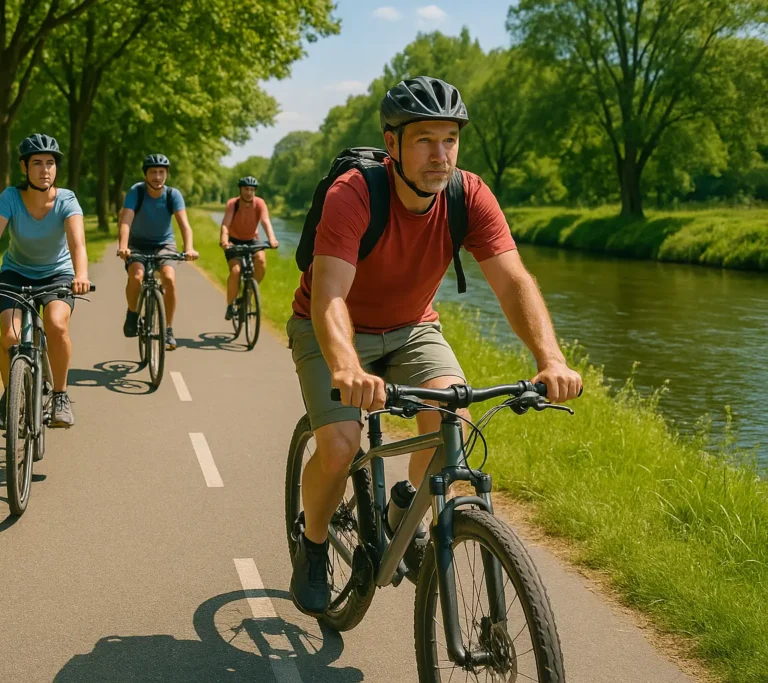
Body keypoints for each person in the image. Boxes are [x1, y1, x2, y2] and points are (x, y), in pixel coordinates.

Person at [286, 76, 583, 614]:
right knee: (340, 443)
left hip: (412, 328)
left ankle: (404, 513)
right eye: (424, 139)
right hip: (329, 326)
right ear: (392, 143)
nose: (439, 154)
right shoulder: (353, 194)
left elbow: (514, 281)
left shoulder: (468, 195)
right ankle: (311, 543)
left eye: (450, 139)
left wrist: (551, 359)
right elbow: (329, 295)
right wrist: (348, 367)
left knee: (451, 419)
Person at [0, 134, 91, 430]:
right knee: (10, 336)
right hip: (16, 273)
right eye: (37, 163)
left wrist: (81, 275)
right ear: (24, 167)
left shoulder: (67, 199)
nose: (45, 169)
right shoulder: (10, 198)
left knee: (56, 325)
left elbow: (77, 244)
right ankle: (11, 393)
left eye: (50, 163)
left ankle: (59, 395)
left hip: (58, 274)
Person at [117, 153, 199, 350]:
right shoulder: (137, 192)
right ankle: (132, 313)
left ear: (167, 174)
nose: (157, 176)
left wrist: (188, 248)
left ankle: (168, 329)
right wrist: (123, 245)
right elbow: (126, 220)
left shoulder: (173, 195)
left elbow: (184, 225)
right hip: (137, 244)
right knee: (136, 276)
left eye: (161, 172)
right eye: (153, 172)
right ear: (146, 174)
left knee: (169, 279)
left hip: (164, 244)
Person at [220, 176, 280, 320]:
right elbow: (225, 224)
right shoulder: (233, 204)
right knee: (235, 271)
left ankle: (249, 291)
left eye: (252, 190)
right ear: (240, 189)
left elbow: (265, 221)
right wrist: (224, 239)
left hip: (252, 240)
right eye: (246, 189)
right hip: (234, 241)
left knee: (261, 260)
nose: (249, 192)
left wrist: (272, 239)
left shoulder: (260, 203)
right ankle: (230, 305)